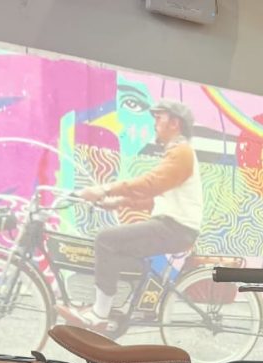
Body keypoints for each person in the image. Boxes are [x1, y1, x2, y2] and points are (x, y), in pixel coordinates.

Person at [65, 98, 204, 329]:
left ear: (175, 123)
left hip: (175, 228)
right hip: (173, 227)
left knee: (105, 240)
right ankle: (121, 308)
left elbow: (151, 184)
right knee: (114, 252)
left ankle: (100, 315)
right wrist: (120, 202)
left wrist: (104, 189)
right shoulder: (178, 153)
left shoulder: (182, 153)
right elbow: (157, 198)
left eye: (158, 118)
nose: (154, 124)